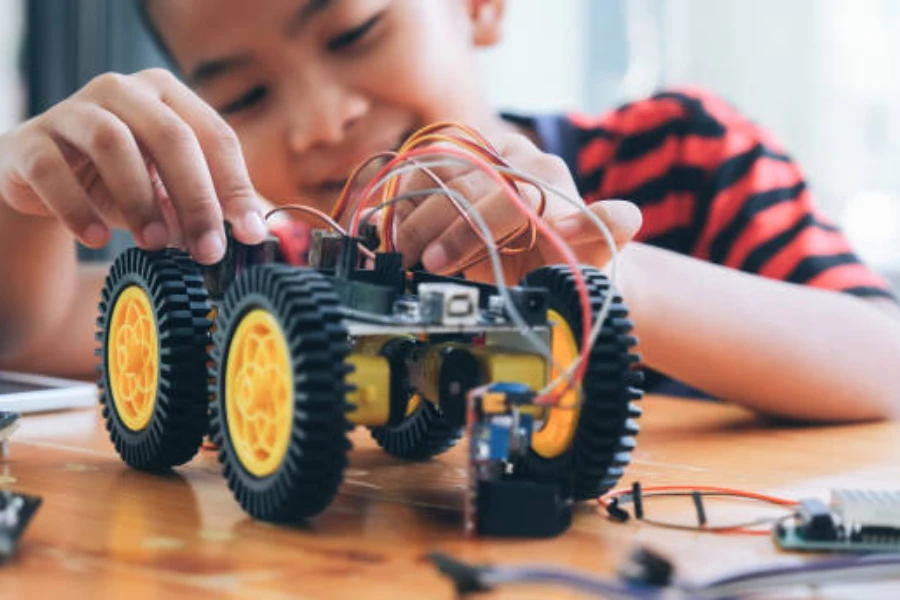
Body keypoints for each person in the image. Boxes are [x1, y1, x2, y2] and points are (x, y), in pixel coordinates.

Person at [0, 0, 897, 422]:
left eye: (354, 33)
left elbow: (885, 363)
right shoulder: (273, 271)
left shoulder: (683, 158)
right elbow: (26, 329)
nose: (321, 123)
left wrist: (591, 272)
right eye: (246, 95)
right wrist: (22, 201)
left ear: (480, 7)